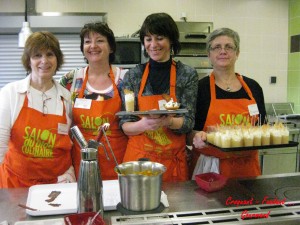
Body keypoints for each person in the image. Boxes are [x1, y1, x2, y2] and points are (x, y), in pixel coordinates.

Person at [120, 13, 198, 182]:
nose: (153, 45)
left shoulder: (187, 75)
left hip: (173, 164)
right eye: (148, 39)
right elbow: (125, 124)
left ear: (171, 41)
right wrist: (144, 124)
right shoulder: (133, 76)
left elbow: (188, 122)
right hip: (139, 162)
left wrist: (167, 122)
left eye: (160, 38)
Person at [0, 31, 75, 188]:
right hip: (16, 184)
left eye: (49, 54)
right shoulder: (11, 93)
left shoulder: (66, 98)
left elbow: (69, 145)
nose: (44, 61)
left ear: (57, 59)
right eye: (37, 55)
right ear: (28, 60)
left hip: (56, 185)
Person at [190, 27, 267, 179]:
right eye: (217, 47)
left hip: (247, 168)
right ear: (209, 54)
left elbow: (261, 128)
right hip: (211, 169)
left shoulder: (253, 87)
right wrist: (197, 137)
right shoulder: (199, 88)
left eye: (229, 47)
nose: (223, 51)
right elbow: (189, 132)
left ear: (237, 53)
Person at [59, 22, 128, 180]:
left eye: (100, 40)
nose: (93, 46)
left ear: (111, 47)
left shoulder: (125, 79)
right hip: (82, 164)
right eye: (87, 41)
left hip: (117, 162)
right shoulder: (71, 79)